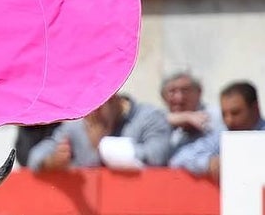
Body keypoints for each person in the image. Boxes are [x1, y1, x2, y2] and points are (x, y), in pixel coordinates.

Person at [27, 91, 172, 171]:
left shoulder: (149, 117)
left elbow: (157, 158)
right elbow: (35, 156)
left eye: (98, 107)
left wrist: (104, 146)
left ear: (114, 98)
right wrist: (52, 161)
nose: (92, 116)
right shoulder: (79, 123)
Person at [169, 80, 264, 181]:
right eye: (224, 114)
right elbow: (178, 159)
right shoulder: (222, 136)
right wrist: (208, 163)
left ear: (255, 108)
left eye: (235, 113)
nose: (229, 121)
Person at [159, 70, 221, 154]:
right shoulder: (161, 120)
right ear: (163, 97)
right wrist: (185, 117)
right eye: (172, 92)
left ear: (199, 92)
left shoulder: (215, 115)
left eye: (185, 91)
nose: (179, 98)